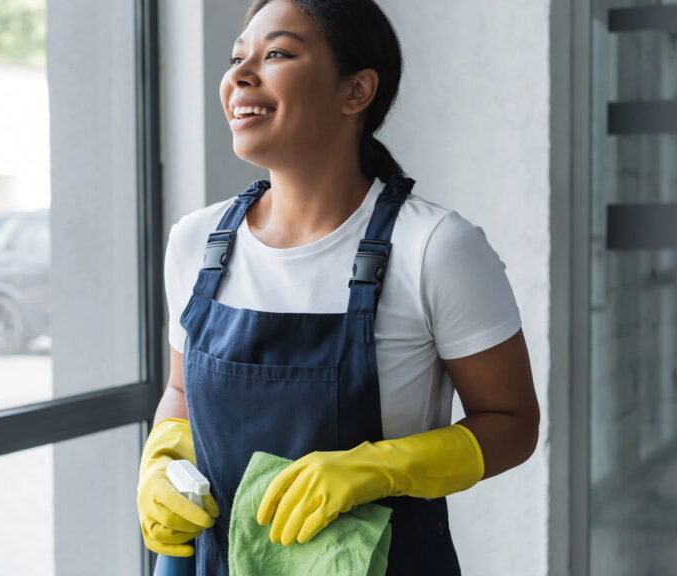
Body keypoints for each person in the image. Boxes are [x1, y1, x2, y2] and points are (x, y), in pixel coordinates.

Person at [136, 0, 540, 574]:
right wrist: (162, 457)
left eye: (276, 53)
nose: (239, 76)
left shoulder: (435, 248)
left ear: (356, 92)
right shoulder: (197, 242)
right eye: (236, 57)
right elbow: (180, 392)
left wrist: (379, 469)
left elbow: (513, 424)